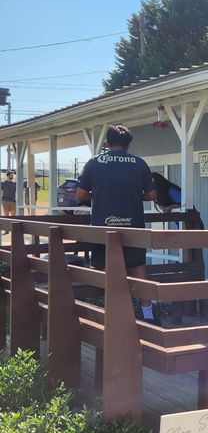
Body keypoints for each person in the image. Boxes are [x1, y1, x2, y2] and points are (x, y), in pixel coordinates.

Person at [76, 125, 161, 325]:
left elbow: (80, 195)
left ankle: (113, 314)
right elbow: (152, 195)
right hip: (133, 227)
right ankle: (147, 314)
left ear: (107, 143)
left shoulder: (94, 163)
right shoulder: (139, 164)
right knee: (138, 268)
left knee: (107, 270)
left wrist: (99, 195)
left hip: (103, 229)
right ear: (128, 145)